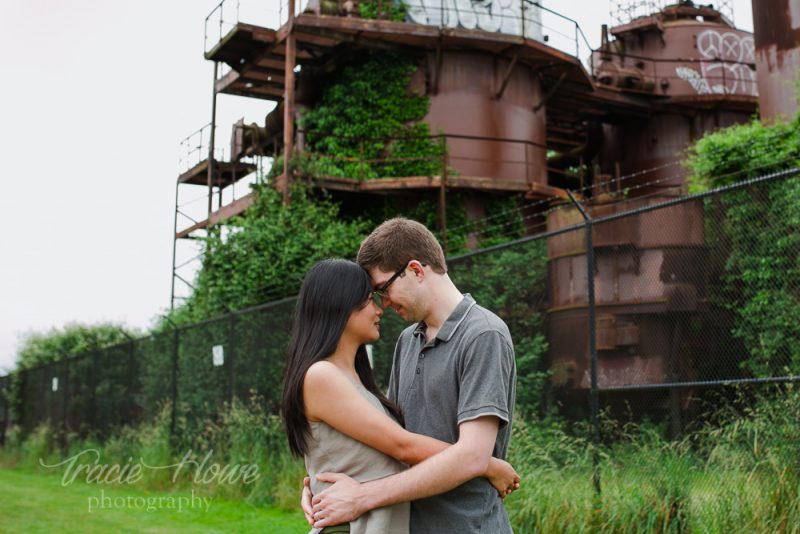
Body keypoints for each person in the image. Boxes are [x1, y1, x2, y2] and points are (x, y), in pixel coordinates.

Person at [305, 218, 518, 533]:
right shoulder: (407, 341)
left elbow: (473, 456)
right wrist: (318, 486)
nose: (384, 304)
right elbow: (388, 442)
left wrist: (362, 497)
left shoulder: (483, 334)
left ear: (417, 270)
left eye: (383, 289)